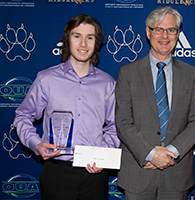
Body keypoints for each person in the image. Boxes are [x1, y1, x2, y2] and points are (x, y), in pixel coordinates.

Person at [13, 14, 120, 200]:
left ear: (97, 43)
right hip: (56, 173)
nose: (83, 44)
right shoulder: (46, 79)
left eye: (90, 37)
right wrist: (36, 144)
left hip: (94, 175)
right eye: (77, 36)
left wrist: (103, 154)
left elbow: (115, 125)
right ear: (67, 40)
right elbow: (23, 116)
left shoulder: (107, 83)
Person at [115, 6, 195, 200]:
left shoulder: (191, 74)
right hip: (138, 172)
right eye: (158, 29)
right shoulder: (128, 73)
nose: (165, 36)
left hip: (177, 173)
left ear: (178, 34)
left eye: (171, 30)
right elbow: (122, 122)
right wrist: (150, 153)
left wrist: (171, 153)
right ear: (148, 32)